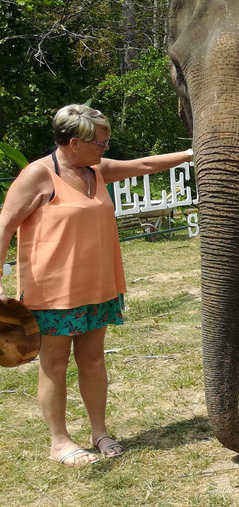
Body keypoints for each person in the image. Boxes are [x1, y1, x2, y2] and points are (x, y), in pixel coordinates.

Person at [0, 105, 194, 466]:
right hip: (53, 292)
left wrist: (193, 152)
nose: (106, 148)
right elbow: (4, 225)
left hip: (100, 286)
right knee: (55, 364)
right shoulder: (37, 175)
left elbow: (144, 165)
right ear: (75, 142)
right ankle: (59, 442)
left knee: (91, 359)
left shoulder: (96, 171)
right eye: (101, 142)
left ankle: (99, 431)